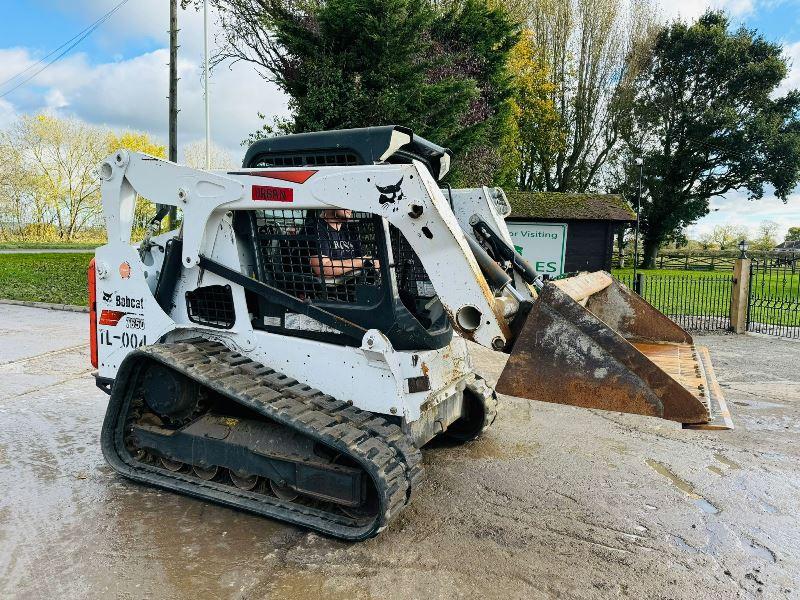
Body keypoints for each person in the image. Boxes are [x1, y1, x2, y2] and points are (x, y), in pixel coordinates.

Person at [304, 208, 380, 278]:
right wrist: (362, 262)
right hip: (327, 291)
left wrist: (367, 261)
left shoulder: (349, 231)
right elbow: (324, 270)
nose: (350, 207)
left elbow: (362, 258)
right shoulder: (314, 229)